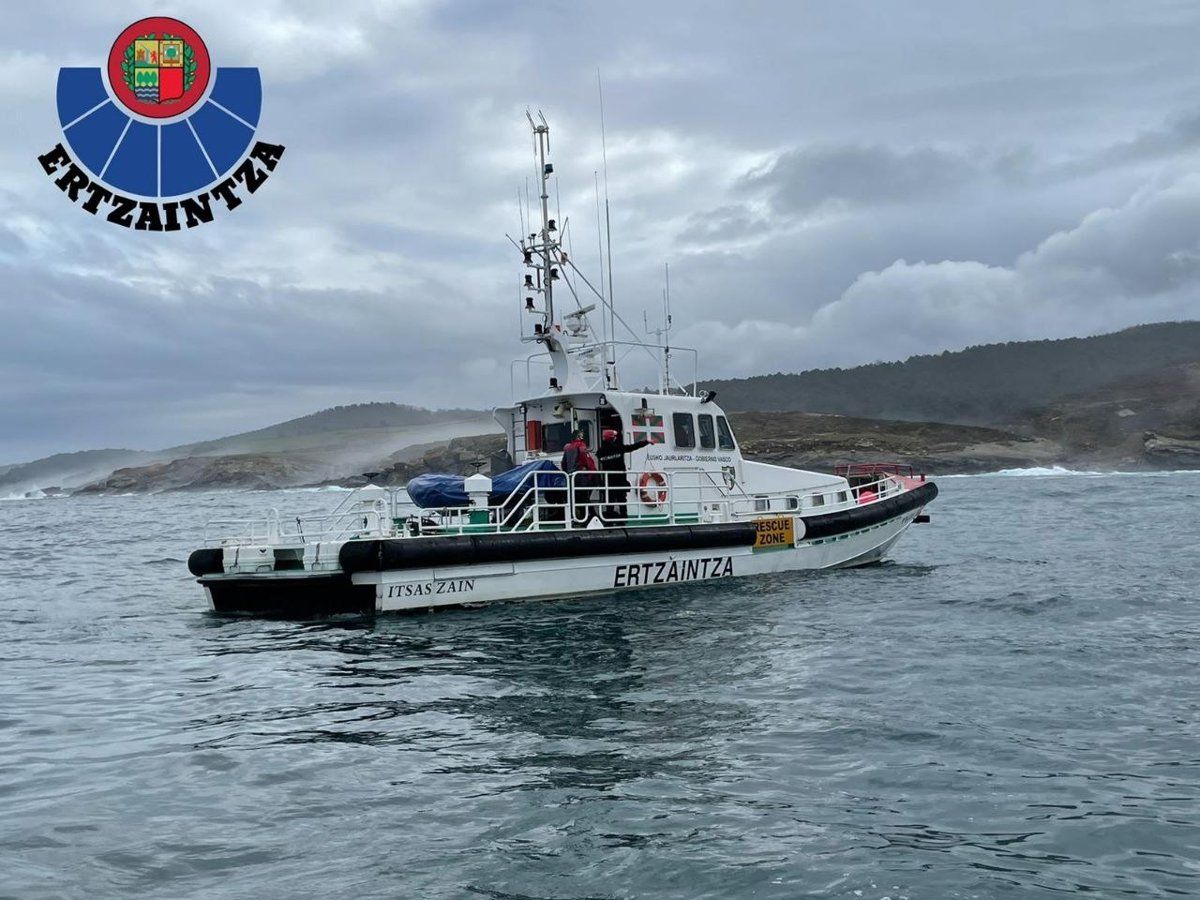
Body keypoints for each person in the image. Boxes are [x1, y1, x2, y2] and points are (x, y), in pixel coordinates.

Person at [597, 428, 652, 524]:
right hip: (620, 479)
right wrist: (646, 442)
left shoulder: (600, 452)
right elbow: (632, 447)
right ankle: (623, 519)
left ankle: (609, 521)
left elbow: (601, 458)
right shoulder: (618, 448)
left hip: (608, 480)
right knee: (622, 499)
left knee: (609, 500)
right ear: (613, 438)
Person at [561, 430, 599, 525]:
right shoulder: (581, 446)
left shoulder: (568, 448)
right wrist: (593, 474)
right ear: (578, 437)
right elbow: (588, 461)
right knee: (584, 498)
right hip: (581, 476)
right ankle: (592, 516)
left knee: (577, 498)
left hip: (571, 477)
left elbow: (563, 464)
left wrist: (568, 473)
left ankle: (579, 518)